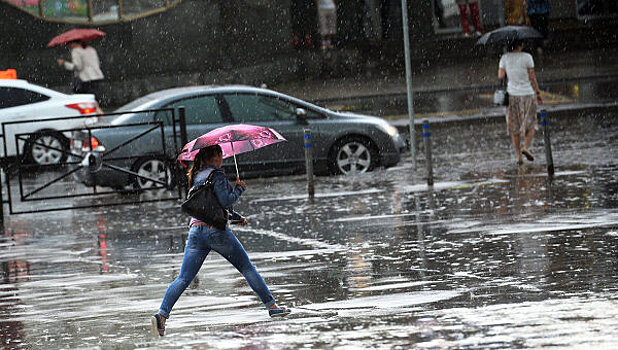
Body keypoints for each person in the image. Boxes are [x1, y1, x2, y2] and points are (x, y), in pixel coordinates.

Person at [151, 145, 290, 337]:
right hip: (215, 232)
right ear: (215, 156)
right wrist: (239, 189)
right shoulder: (217, 175)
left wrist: (236, 216)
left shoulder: (197, 175)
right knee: (247, 267)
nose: (222, 158)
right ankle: (272, 306)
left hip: (195, 231)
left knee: (183, 278)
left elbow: (209, 204)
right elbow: (225, 201)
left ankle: (162, 315)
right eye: (221, 155)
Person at [498, 39, 543, 165]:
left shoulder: (505, 58)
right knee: (531, 123)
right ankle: (526, 147)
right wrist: (538, 92)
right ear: (521, 45)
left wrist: (509, 70)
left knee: (514, 127)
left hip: (512, 95)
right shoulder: (527, 57)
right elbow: (532, 77)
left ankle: (518, 155)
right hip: (527, 94)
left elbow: (500, 76)